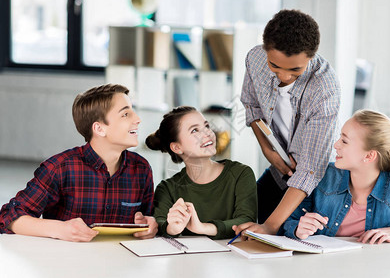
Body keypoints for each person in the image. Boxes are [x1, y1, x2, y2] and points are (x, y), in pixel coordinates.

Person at [0, 84, 158, 242]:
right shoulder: (60, 168)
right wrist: (59, 229)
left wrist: (150, 225)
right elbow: (8, 217)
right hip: (67, 263)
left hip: (123, 263)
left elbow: (149, 219)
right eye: (125, 114)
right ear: (99, 129)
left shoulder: (141, 169)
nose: (138, 119)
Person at [235, 9, 341, 235]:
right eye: (275, 66)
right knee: (247, 220)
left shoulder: (325, 89)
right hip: (278, 169)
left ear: (311, 57)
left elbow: (311, 170)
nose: (283, 76)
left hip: (319, 184)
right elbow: (252, 106)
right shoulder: (255, 59)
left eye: (295, 70)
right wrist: (268, 150)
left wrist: (270, 226)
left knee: (288, 238)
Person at [283, 110, 390, 243]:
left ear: (369, 156)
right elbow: (288, 222)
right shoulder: (323, 176)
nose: (336, 145)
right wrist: (298, 228)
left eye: (345, 141)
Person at [146, 106, 257, 240]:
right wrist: (172, 227)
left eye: (207, 126)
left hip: (232, 258)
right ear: (177, 147)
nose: (207, 133)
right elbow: (160, 224)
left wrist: (203, 227)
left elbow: (246, 221)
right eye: (195, 130)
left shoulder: (241, 174)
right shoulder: (167, 189)